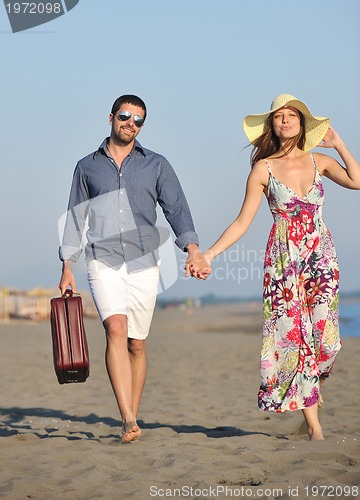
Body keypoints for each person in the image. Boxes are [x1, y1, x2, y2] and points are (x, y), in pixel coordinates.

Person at [200, 94, 360, 440]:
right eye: (279, 117)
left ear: (303, 124)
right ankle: (314, 425)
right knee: (293, 338)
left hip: (320, 259)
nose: (285, 120)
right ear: (271, 125)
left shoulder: (321, 161)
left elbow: (357, 180)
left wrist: (340, 144)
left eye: (292, 116)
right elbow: (242, 222)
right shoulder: (263, 168)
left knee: (327, 342)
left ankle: (310, 395)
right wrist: (210, 254)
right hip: (283, 263)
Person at [59, 94, 211, 443]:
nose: (131, 123)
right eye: (125, 116)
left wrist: (193, 250)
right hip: (103, 259)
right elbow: (74, 219)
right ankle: (126, 417)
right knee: (115, 329)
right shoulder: (87, 167)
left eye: (138, 119)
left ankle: (132, 417)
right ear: (111, 117)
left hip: (145, 262)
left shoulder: (156, 164)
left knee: (137, 345)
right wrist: (68, 266)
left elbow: (177, 209)